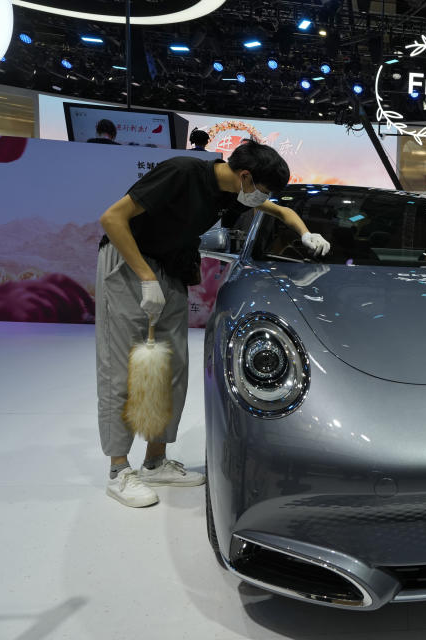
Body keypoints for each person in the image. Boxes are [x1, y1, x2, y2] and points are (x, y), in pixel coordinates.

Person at [96, 139, 331, 508]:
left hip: (170, 268)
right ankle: (118, 470)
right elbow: (112, 218)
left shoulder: (232, 192)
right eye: (263, 189)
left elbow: (280, 213)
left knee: (171, 368)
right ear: (246, 176)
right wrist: (144, 277)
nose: (260, 197)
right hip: (129, 263)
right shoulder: (182, 172)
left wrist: (305, 232)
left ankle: (155, 461)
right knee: (123, 366)